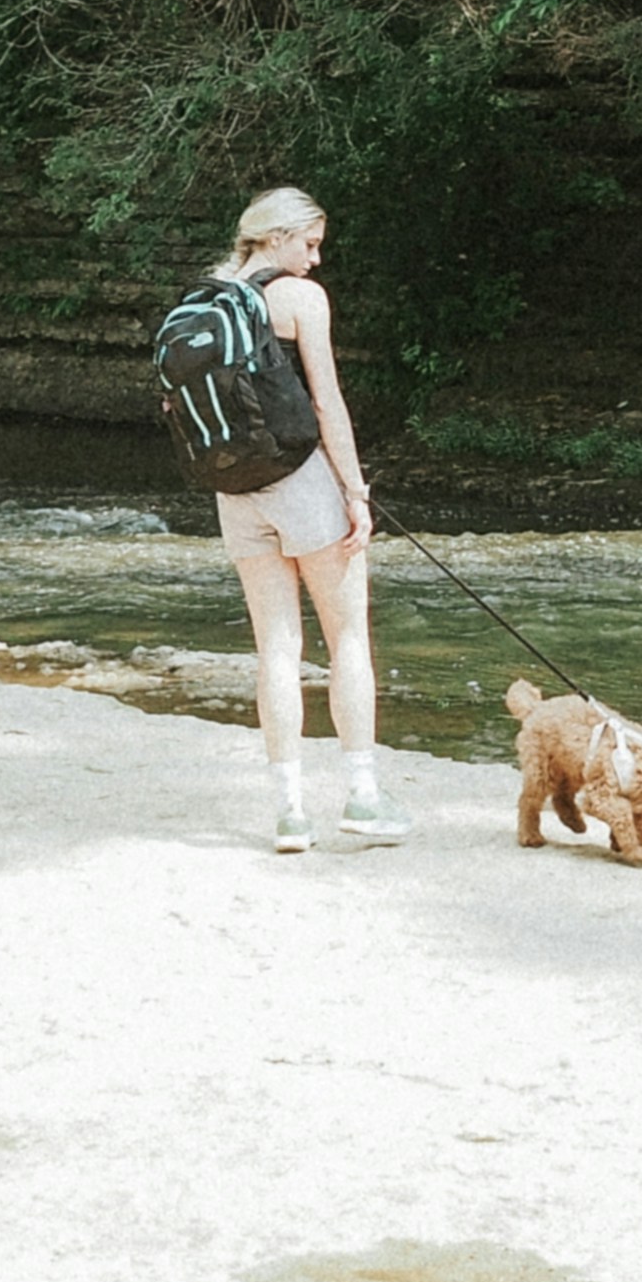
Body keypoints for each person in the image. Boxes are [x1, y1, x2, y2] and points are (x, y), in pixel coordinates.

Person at [207, 185, 404, 855]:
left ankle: (290, 812)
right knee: (348, 635)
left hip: (234, 489)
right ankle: (363, 797)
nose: (315, 260)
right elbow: (328, 404)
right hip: (302, 481)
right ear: (276, 236)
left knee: (276, 649)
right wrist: (356, 490)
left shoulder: (207, 295)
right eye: (310, 243)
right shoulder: (299, 298)